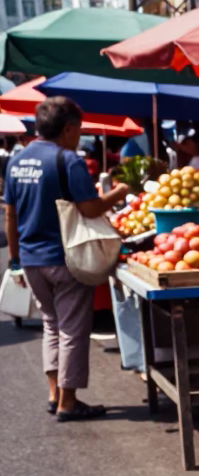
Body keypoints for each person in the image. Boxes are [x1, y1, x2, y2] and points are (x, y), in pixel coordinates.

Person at [2, 97, 132, 421]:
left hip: (31, 259)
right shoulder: (67, 160)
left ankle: (53, 393)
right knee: (73, 329)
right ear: (69, 127)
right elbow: (90, 208)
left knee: (51, 325)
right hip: (65, 258)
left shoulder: (17, 161)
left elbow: (10, 214)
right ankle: (68, 402)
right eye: (79, 128)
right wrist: (119, 192)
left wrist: (14, 259)